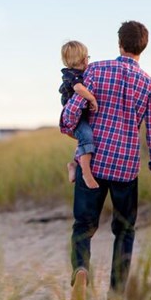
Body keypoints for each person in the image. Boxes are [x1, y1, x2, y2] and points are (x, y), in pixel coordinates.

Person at [60, 21, 151, 300]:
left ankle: (81, 271)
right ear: (143, 47)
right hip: (125, 168)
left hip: (94, 163)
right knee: (124, 230)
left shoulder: (96, 70)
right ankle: (117, 293)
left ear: (119, 44)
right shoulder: (150, 85)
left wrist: (72, 127)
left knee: (83, 227)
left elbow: (70, 114)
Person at [59, 41, 100, 189]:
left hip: (81, 116)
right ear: (83, 59)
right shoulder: (72, 75)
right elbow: (78, 88)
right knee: (87, 136)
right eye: (87, 57)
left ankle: (74, 165)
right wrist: (92, 98)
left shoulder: (82, 73)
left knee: (85, 139)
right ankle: (86, 174)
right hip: (74, 118)